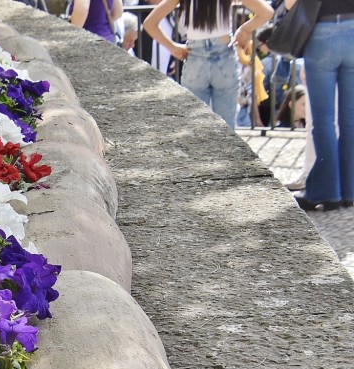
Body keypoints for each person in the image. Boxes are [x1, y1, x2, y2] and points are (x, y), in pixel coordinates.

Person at [143, 0, 274, 125]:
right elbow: (266, 12)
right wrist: (244, 29)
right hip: (225, 59)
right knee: (226, 128)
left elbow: (149, 23)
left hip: (195, 60)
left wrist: (172, 47)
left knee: (196, 128)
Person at [291, 0, 354, 211]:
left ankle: (327, 192)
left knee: (323, 120)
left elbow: (290, 4)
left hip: (322, 32)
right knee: (350, 120)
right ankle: (350, 191)